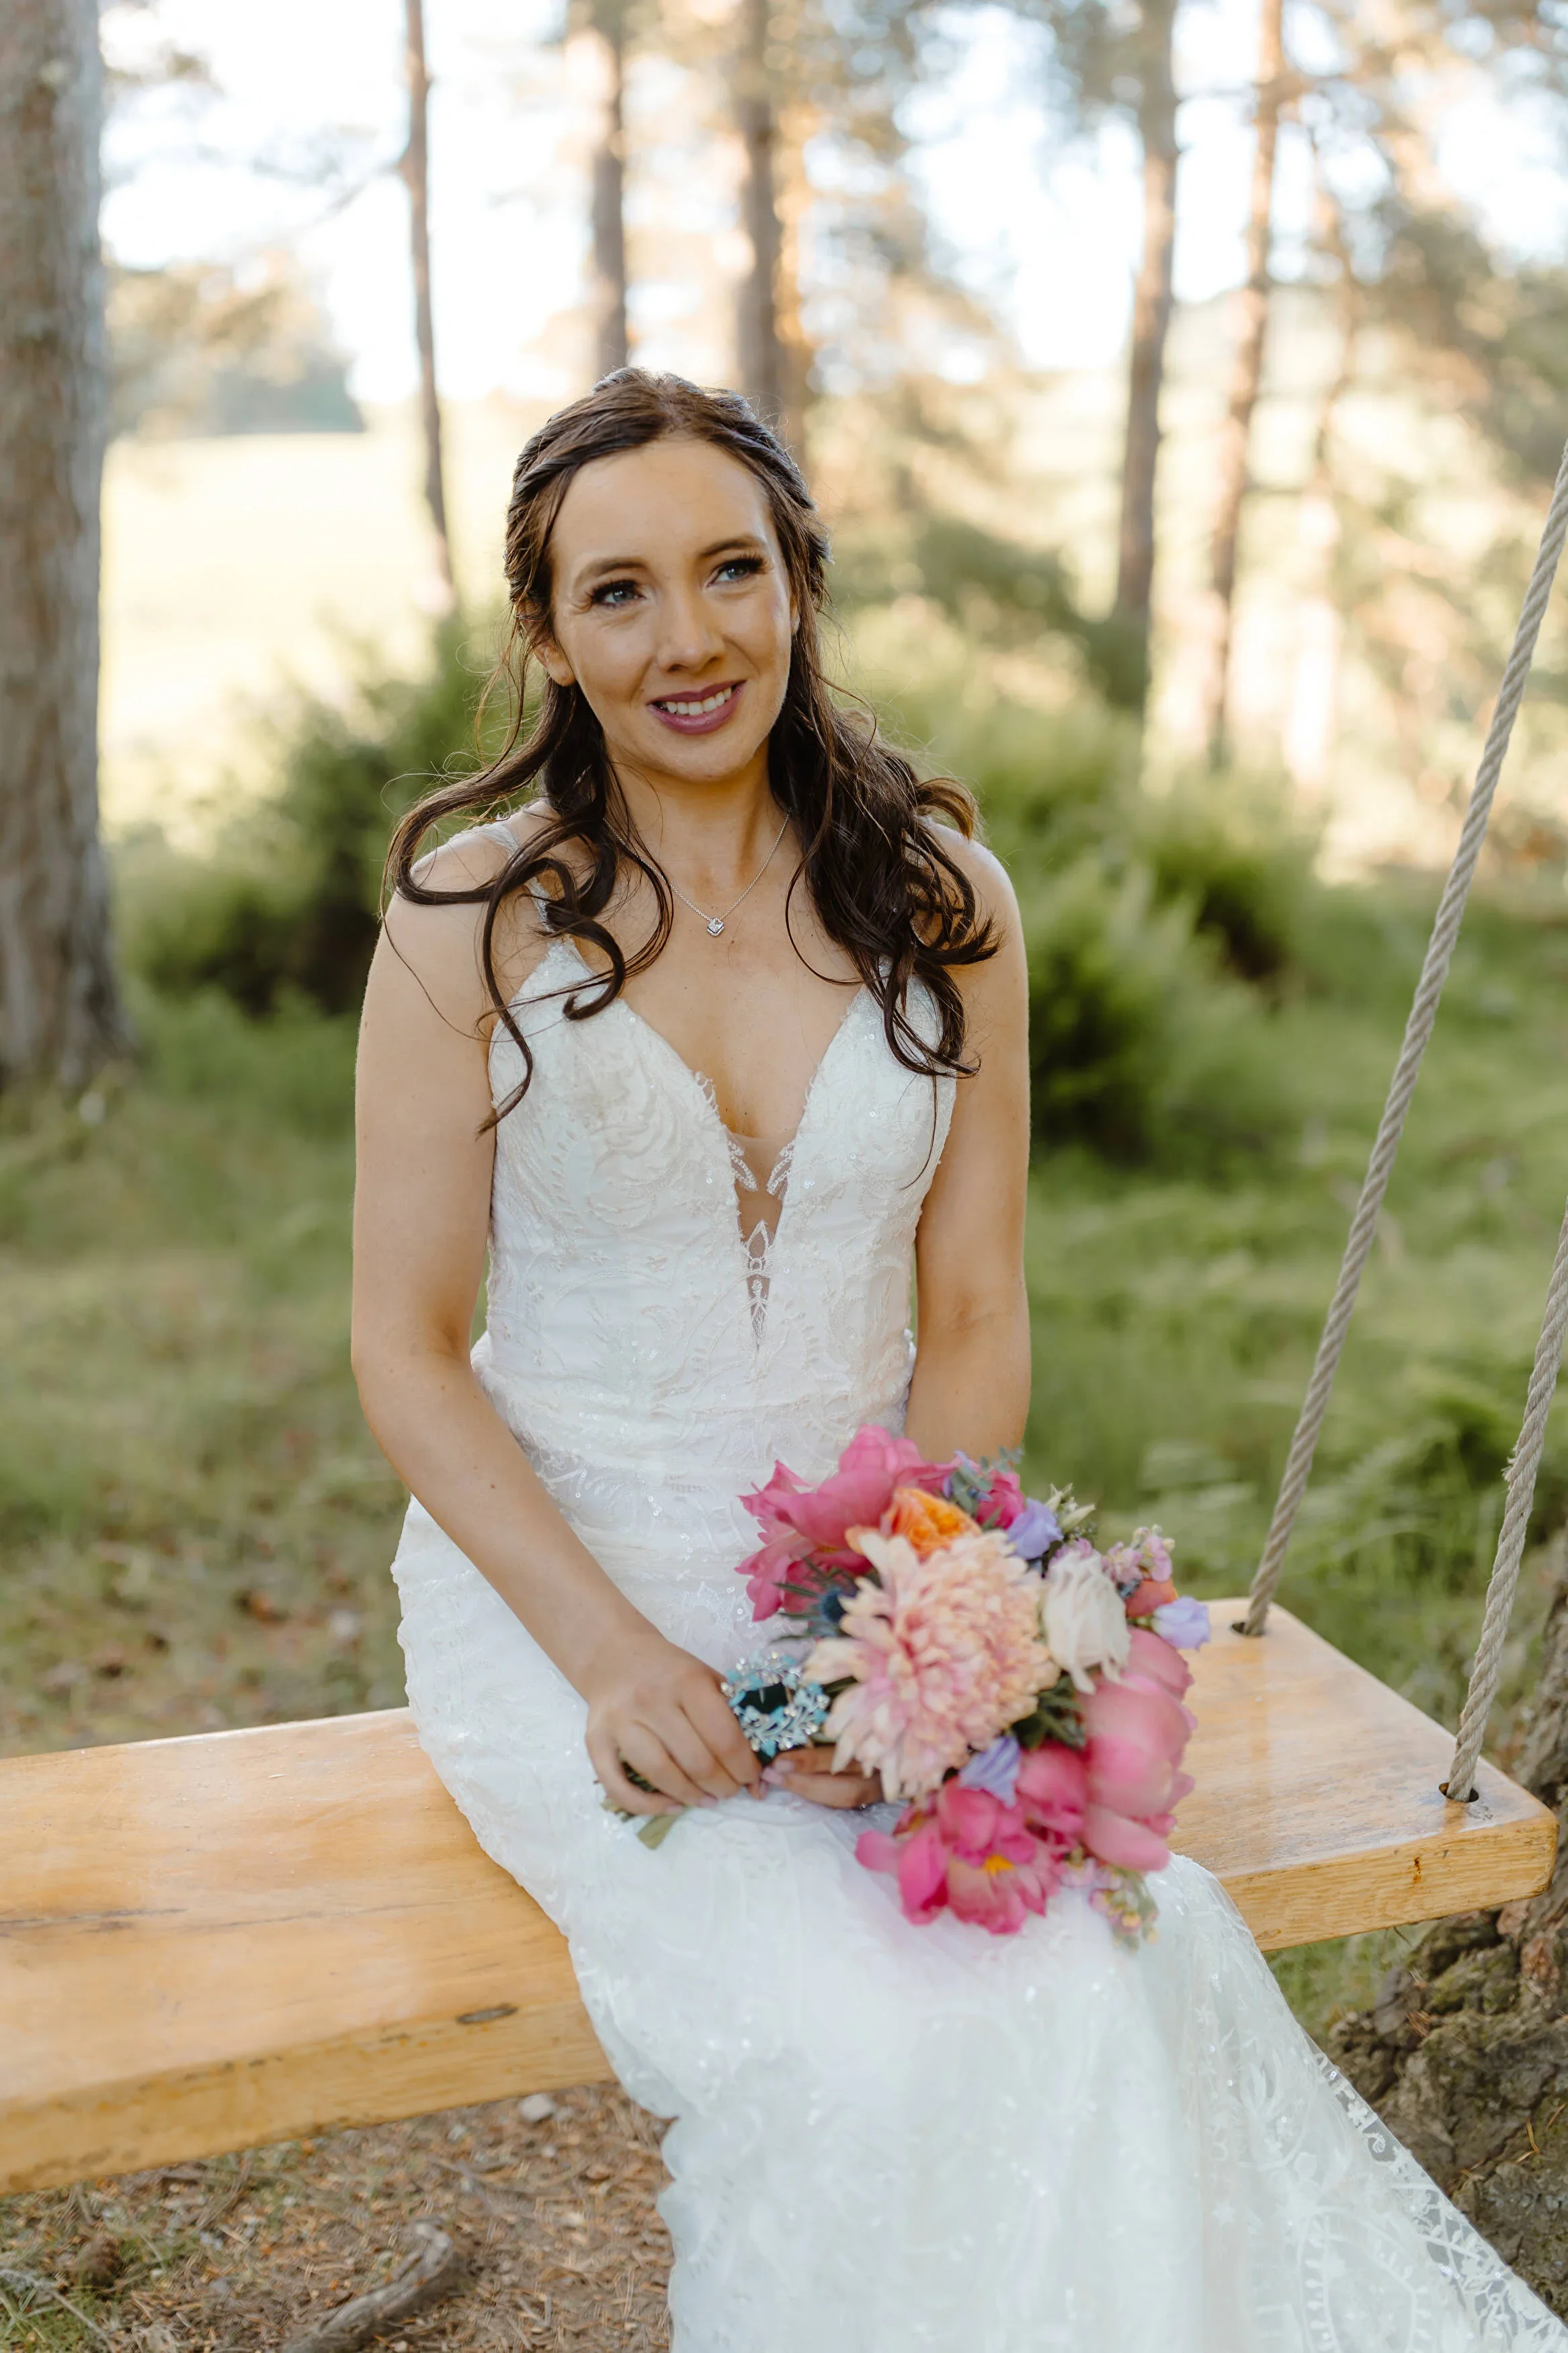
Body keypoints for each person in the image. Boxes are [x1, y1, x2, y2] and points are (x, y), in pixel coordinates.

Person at [353, 368, 1565, 2352]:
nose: (689, 638)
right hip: (554, 1589)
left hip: (871, 1570)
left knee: (1115, 1954)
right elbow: (401, 1354)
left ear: (800, 585)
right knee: (855, 2043)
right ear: (548, 638)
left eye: (732, 570)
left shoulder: (940, 904)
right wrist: (611, 1660)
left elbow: (975, 1313)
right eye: (622, 592)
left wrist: (915, 1631)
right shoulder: (469, 919)